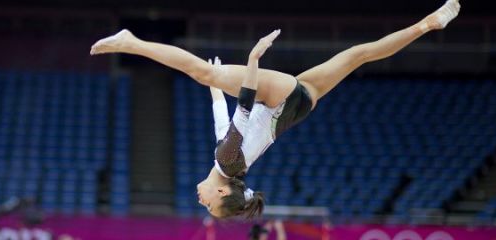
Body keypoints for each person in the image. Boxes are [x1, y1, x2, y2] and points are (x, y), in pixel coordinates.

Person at [90, 0, 461, 219]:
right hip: (275, 99)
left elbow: (227, 123)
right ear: (221, 194)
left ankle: (428, 23)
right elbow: (245, 109)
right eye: (208, 206)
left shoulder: (229, 163)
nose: (200, 202)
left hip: (299, 106)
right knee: (204, 72)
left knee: (359, 55)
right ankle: (132, 41)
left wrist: (217, 94)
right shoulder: (229, 160)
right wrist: (251, 61)